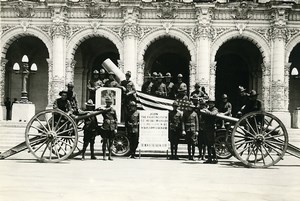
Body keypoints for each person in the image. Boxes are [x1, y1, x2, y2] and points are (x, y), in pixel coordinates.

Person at [99, 96, 118, 161]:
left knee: (111, 142)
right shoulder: (104, 109)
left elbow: (116, 119)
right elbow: (99, 111)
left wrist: (116, 128)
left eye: (110, 102)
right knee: (104, 142)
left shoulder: (113, 110)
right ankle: (104, 156)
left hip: (112, 127)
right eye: (107, 102)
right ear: (106, 103)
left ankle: (110, 156)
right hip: (105, 127)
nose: (109, 103)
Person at [201, 98, 218, 164]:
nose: (210, 104)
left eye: (211, 103)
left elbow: (213, 114)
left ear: (213, 104)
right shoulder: (207, 109)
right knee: (208, 144)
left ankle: (215, 158)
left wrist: (207, 111)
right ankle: (209, 158)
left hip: (212, 128)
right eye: (209, 103)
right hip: (207, 128)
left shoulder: (215, 109)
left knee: (212, 144)